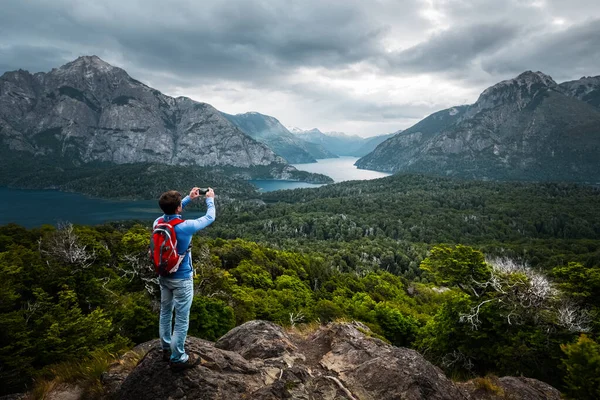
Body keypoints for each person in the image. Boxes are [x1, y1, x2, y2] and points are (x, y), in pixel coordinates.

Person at [154, 187, 215, 369]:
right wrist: (209, 199)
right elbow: (210, 217)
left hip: (164, 276)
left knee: (165, 312)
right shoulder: (185, 227)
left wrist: (188, 199)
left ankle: (166, 348)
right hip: (182, 279)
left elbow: (170, 213)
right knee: (181, 318)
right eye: (181, 205)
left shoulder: (157, 223)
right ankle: (178, 357)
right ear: (179, 208)